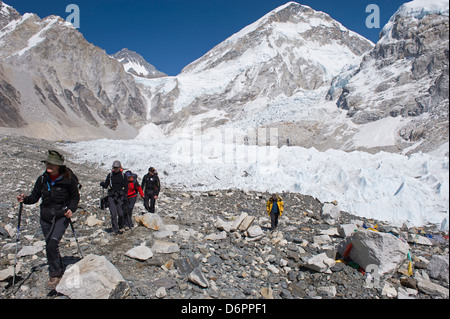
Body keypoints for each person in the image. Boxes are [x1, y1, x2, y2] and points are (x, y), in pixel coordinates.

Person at [17, 150, 80, 290]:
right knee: (50, 244)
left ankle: (55, 275)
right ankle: (58, 265)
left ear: (58, 166)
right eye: (48, 163)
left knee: (52, 243)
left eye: (52, 163)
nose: (49, 165)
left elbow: (75, 197)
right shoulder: (42, 179)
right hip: (45, 216)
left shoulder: (68, 179)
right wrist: (24, 199)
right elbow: (34, 197)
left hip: (61, 215)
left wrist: (71, 209)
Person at [100, 160, 127, 234]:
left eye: (117, 167)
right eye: (114, 167)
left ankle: (120, 225)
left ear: (119, 167)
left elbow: (126, 186)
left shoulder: (123, 176)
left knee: (120, 213)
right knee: (113, 213)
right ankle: (115, 229)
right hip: (111, 196)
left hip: (120, 196)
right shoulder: (110, 175)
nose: (115, 169)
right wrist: (103, 184)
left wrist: (125, 196)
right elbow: (106, 185)